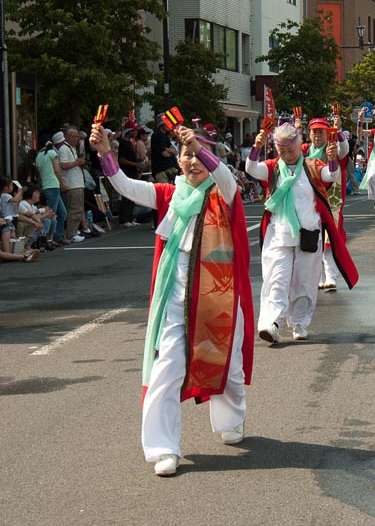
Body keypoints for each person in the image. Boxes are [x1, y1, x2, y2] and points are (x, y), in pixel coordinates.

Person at [90, 122, 255, 477]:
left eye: (198, 154)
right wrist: (105, 152)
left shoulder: (223, 192)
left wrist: (199, 146)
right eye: (186, 154)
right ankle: (163, 447)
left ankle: (231, 419)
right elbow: (126, 186)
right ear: (177, 160)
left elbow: (224, 175)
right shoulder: (169, 193)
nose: (192, 161)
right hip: (175, 303)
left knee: (229, 368)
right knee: (165, 370)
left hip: (219, 302)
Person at [246, 122, 358, 345]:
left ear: (299, 145)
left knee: (305, 282)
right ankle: (271, 323)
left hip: (308, 234)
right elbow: (251, 169)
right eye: (282, 151)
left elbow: (331, 175)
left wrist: (333, 158)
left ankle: (300, 322)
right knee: (276, 279)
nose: (287, 155)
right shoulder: (272, 167)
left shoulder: (311, 166)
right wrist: (256, 148)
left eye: (291, 150)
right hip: (279, 234)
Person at [301, 116, 350, 292]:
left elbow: (344, 151)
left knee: (330, 238)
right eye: (314, 131)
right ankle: (318, 277)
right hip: (310, 199)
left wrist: (339, 131)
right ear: (309, 133)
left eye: (321, 131)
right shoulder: (305, 149)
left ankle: (331, 276)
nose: (317, 135)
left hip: (331, 200)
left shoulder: (333, 148)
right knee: (314, 238)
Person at [34, 136, 67, 246]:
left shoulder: (38, 156)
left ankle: (57, 236)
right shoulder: (52, 153)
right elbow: (57, 171)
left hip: (46, 186)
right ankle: (49, 239)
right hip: (54, 185)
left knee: (62, 213)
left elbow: (38, 174)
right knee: (51, 213)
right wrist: (62, 183)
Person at [56, 127, 86, 243]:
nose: (75, 138)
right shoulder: (64, 149)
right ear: (66, 137)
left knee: (77, 209)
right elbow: (63, 165)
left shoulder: (71, 148)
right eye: (73, 136)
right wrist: (76, 162)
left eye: (76, 136)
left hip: (76, 182)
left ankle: (72, 231)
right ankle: (71, 233)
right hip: (72, 184)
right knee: (75, 209)